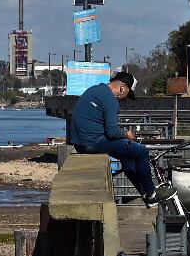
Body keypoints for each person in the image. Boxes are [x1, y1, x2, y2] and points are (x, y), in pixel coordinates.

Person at [68, 71, 176, 205]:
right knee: (141, 151)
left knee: (128, 156)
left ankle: (144, 193)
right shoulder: (111, 100)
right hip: (93, 142)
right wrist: (127, 135)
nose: (125, 98)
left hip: (80, 143)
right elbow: (112, 132)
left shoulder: (95, 90)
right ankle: (151, 193)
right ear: (122, 87)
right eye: (127, 95)